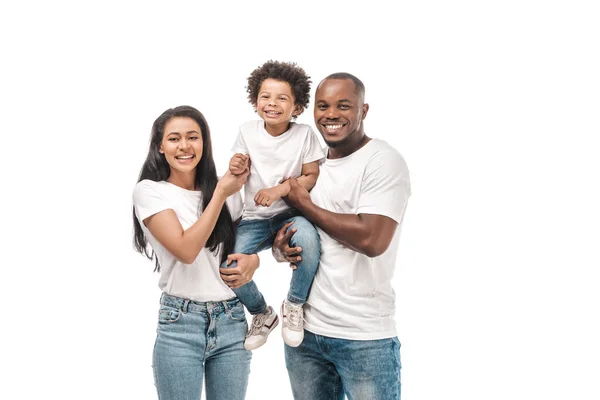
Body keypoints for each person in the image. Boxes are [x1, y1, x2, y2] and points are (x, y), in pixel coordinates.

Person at [272, 73, 411, 400]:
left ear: (363, 111)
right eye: (323, 106)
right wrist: (281, 248)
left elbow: (372, 239)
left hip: (363, 338)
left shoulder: (382, 161)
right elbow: (305, 237)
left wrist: (305, 205)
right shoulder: (312, 166)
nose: (330, 114)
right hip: (305, 337)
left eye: (343, 106)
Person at [132, 105, 258, 400]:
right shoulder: (150, 192)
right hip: (180, 323)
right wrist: (221, 194)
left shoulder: (225, 191)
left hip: (231, 319)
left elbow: (245, 245)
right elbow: (187, 249)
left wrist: (253, 260)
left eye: (193, 137)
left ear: (205, 143)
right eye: (174, 139)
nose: (185, 146)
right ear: (160, 147)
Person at [221, 60, 325, 350]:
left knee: (307, 239)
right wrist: (236, 164)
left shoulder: (304, 135)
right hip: (253, 218)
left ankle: (294, 305)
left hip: (289, 213)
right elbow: (237, 169)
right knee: (230, 265)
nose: (272, 103)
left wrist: (280, 190)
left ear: (298, 107)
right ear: (255, 101)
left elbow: (312, 176)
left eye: (282, 98)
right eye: (265, 96)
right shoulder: (247, 131)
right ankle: (261, 313)